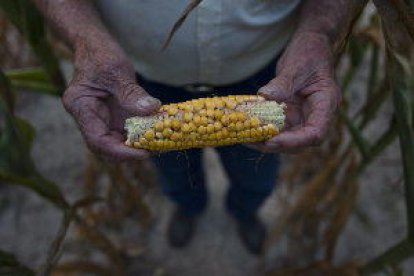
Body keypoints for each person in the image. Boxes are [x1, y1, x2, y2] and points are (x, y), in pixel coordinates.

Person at [34, 0, 355, 255]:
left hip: (271, 75)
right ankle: (188, 207)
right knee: (172, 169)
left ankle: (245, 211)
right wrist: (85, 38)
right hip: (135, 79)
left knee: (256, 169)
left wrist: (317, 33)